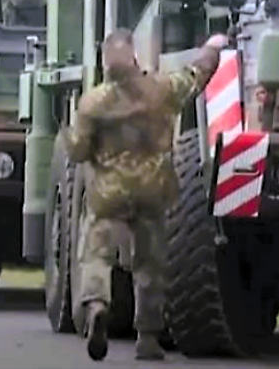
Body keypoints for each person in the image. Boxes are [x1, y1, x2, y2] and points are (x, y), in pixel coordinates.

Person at [64, 28, 228, 361]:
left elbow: (79, 152)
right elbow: (196, 75)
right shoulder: (160, 90)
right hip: (153, 190)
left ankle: (97, 304)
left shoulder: (93, 102)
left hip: (108, 194)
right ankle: (148, 337)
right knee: (149, 265)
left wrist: (70, 135)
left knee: (96, 254)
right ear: (134, 59)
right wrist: (212, 47)